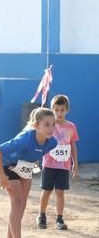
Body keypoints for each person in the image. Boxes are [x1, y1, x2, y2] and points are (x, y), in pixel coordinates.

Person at [0, 107, 57, 238]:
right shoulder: (24, 139)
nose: (51, 128)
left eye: (53, 124)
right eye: (46, 124)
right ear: (36, 125)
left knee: (21, 205)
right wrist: (2, 176)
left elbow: (35, 154)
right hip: (8, 165)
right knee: (17, 201)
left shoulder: (52, 143)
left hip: (25, 167)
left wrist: (31, 166)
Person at [37, 94, 79, 230]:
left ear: (67, 110)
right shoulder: (49, 126)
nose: (59, 113)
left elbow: (72, 145)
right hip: (49, 164)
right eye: (56, 110)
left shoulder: (71, 127)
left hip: (64, 166)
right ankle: (41, 216)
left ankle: (59, 218)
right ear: (52, 109)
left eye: (62, 110)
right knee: (47, 190)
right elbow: (40, 142)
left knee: (60, 192)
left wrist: (75, 164)